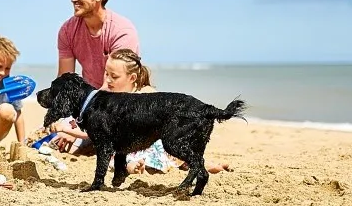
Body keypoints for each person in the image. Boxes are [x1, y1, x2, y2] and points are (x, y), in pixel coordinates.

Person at [52, 49, 230, 174]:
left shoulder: (145, 95)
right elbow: (91, 129)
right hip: (131, 146)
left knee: (170, 151)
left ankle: (207, 165)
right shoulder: (105, 98)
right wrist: (69, 129)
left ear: (132, 78)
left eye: (114, 77)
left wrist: (66, 129)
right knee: (118, 154)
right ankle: (135, 167)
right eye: (106, 74)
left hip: (153, 142)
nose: (108, 80)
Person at [57, 0, 139, 90]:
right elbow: (64, 80)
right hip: (94, 95)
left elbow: (114, 85)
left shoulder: (121, 31)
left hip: (123, 97)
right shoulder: (68, 30)